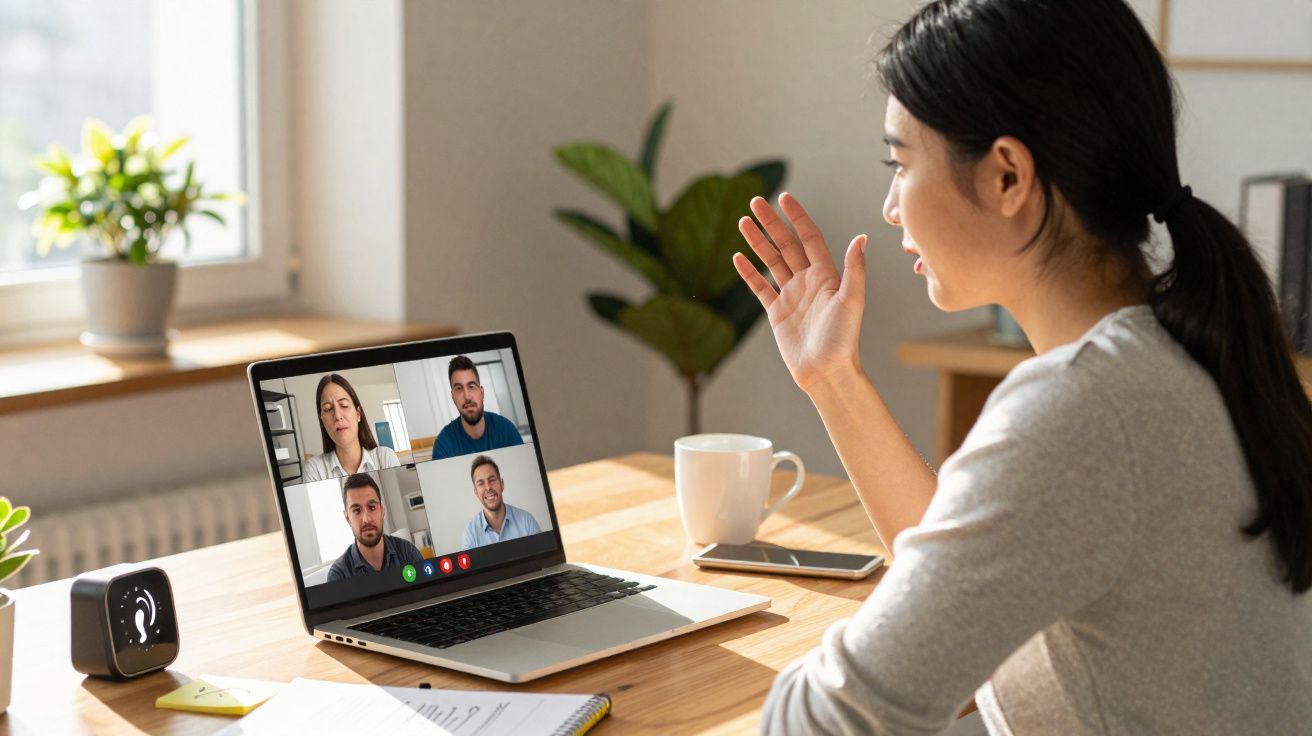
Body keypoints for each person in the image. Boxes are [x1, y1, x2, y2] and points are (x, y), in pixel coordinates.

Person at [734, 1, 1312, 733]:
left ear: (1008, 175)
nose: (889, 207)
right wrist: (833, 380)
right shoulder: (1181, 356)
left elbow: (831, 716)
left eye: (901, 163)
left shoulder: (1085, 407)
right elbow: (979, 587)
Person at [326, 473, 425, 582]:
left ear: (382, 510)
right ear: (348, 518)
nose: (366, 519)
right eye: (356, 510)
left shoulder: (408, 553)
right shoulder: (338, 575)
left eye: (372, 507)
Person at [303, 373, 401, 482]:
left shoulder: (385, 458)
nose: (338, 416)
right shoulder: (315, 469)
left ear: (358, 414)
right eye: (328, 409)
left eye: (344, 405)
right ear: (322, 421)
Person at [430, 355, 524, 460]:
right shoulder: (443, 446)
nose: (467, 396)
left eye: (471, 386)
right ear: (453, 397)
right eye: (459, 388)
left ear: (482, 393)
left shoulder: (506, 431)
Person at [459, 455, 541, 549]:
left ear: (502, 484)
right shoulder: (470, 535)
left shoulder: (527, 521)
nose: (488, 487)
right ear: (476, 493)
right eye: (481, 483)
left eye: (492, 480)